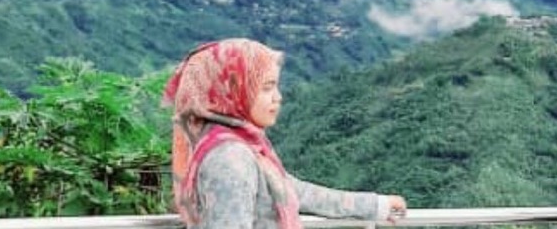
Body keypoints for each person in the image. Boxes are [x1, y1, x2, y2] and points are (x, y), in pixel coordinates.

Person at [163, 38, 407, 229]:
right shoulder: (230, 158)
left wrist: (376, 205)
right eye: (266, 88)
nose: (277, 97)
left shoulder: (241, 147)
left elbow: (296, 191)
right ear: (232, 91)